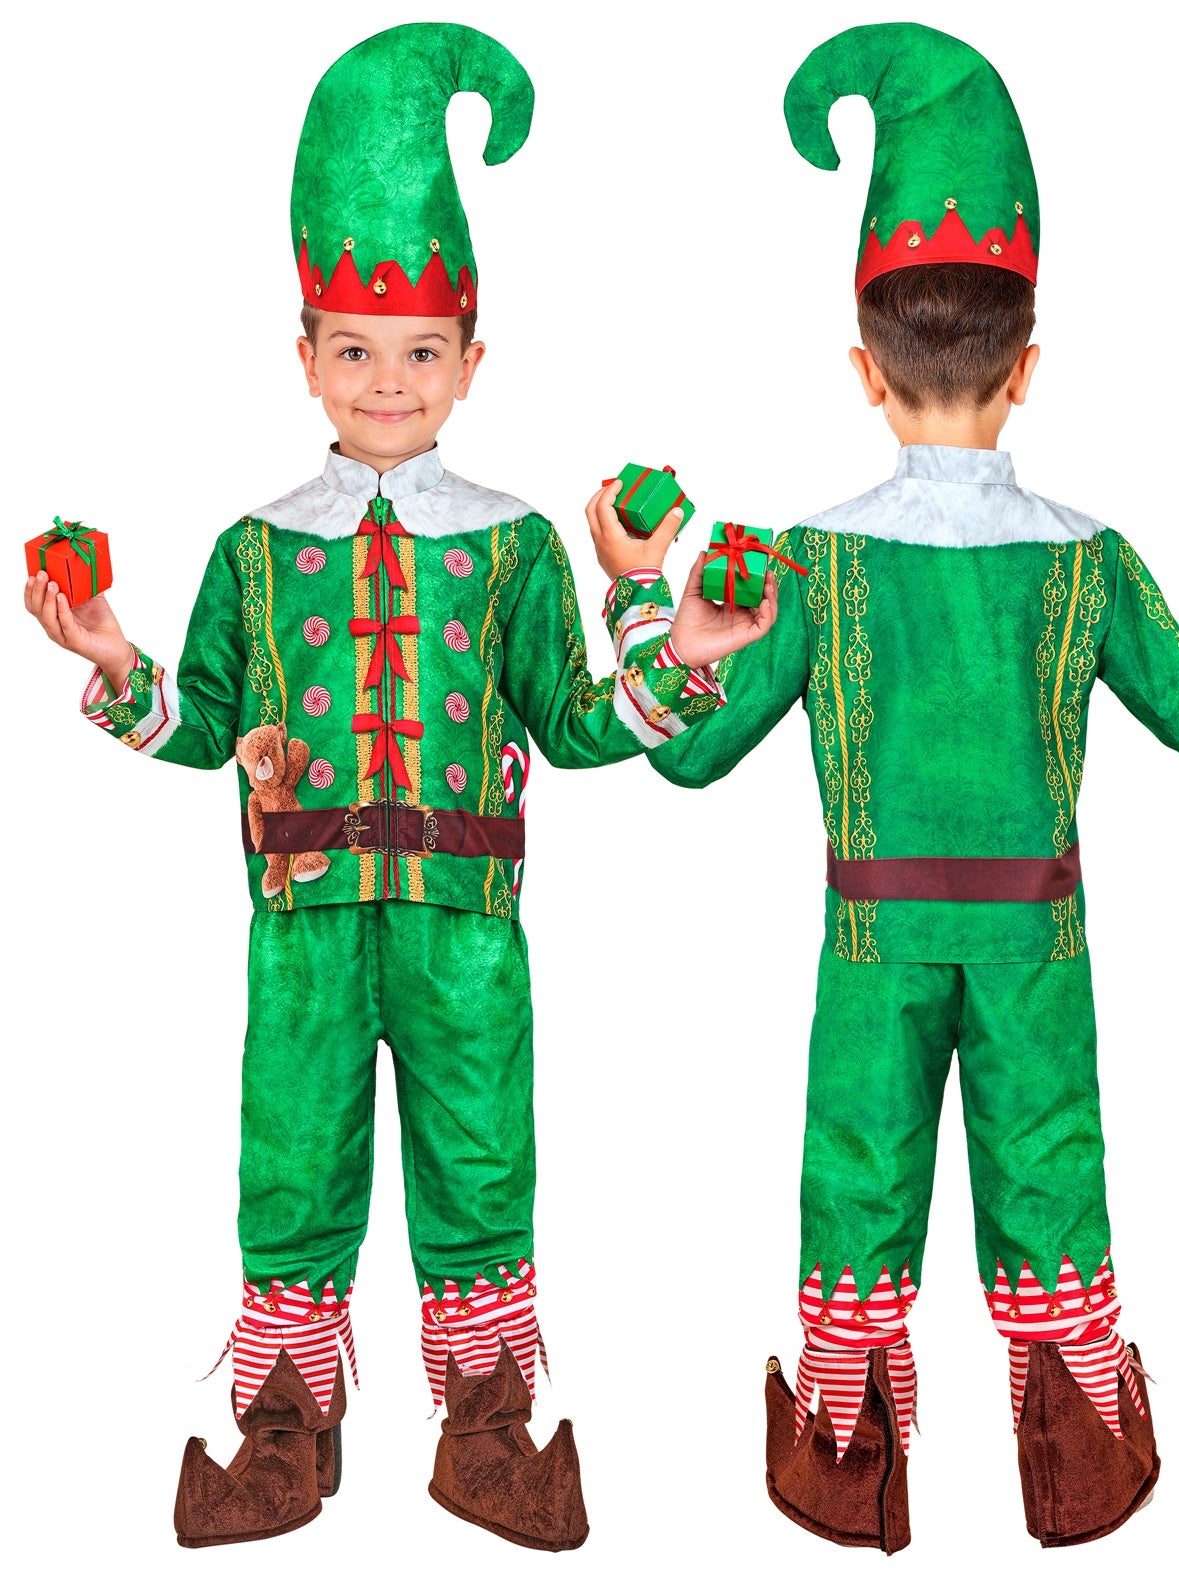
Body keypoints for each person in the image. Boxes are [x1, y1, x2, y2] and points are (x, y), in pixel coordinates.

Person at [643, 22, 1179, 1552]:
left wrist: (638, 610)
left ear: (861, 371)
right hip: (1039, 940)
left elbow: (684, 752)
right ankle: (1076, 1468)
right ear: (1029, 367)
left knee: (856, 1181)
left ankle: (843, 1471)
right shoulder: (1084, 556)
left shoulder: (800, 562)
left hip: (871, 945)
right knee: (1049, 1176)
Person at [22, 23, 773, 1553]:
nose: (386, 382)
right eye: (353, 351)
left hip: (466, 926)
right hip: (299, 928)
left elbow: (571, 724)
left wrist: (682, 645)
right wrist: (109, 651)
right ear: (303, 356)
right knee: (288, 1156)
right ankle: (285, 1430)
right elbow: (198, 725)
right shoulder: (252, 546)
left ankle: (486, 1435)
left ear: (472, 362)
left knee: (482, 1158)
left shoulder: (509, 544)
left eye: (420, 352)